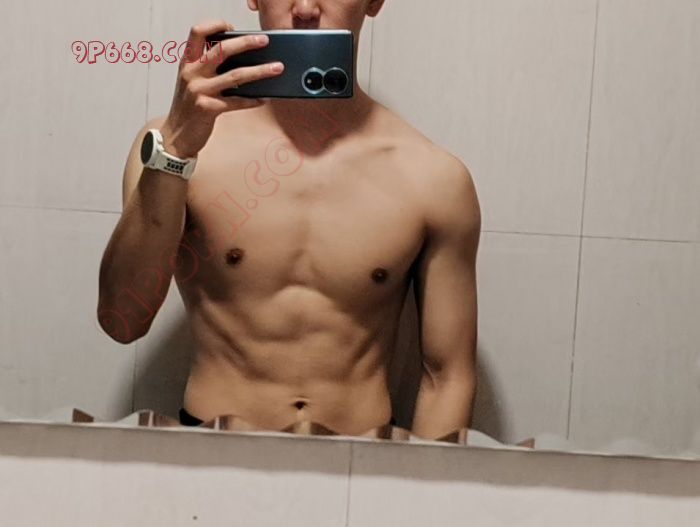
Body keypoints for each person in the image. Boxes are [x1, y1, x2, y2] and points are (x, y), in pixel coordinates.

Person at [97, 0, 481, 439]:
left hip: (361, 459)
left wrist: (418, 482)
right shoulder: (173, 148)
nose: (304, 8)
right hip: (211, 450)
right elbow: (121, 319)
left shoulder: (432, 177)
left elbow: (448, 377)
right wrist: (178, 150)